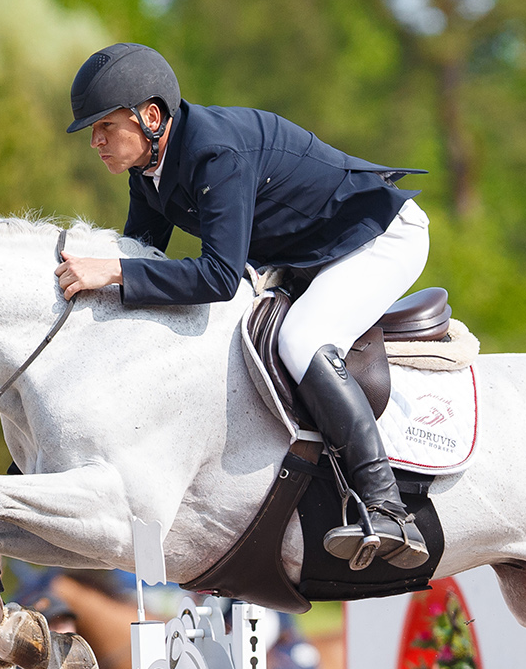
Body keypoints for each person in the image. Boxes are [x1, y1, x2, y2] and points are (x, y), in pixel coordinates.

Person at [54, 43, 431, 570]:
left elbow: (218, 277)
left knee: (301, 340)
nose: (95, 142)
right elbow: (143, 256)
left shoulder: (215, 153)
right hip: (308, 255)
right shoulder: (149, 169)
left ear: (151, 116)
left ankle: (386, 506)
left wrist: (112, 272)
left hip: (377, 238)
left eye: (104, 128)